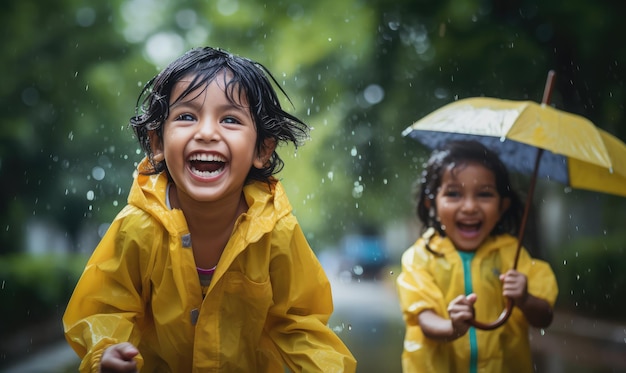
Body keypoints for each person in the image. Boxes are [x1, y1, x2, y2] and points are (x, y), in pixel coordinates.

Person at [63, 46, 356, 372]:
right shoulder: (138, 227)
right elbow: (105, 308)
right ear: (158, 143)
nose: (206, 133)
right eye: (186, 116)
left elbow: (301, 324)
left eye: (230, 119)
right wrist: (106, 351)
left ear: (262, 149)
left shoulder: (275, 231)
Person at [396, 140, 558, 373]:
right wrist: (452, 327)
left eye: (484, 194)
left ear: (502, 206)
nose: (470, 207)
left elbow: (544, 317)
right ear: (432, 203)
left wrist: (525, 299)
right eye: (453, 194)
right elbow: (424, 320)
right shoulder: (420, 257)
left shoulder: (512, 255)